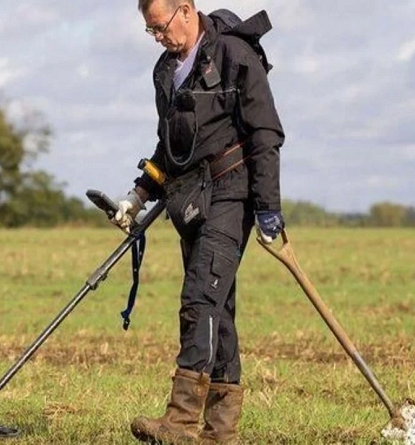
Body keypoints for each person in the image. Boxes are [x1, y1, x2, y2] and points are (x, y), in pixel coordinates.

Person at [112, 0, 285, 443]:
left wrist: (268, 209)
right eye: (150, 32)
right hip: (190, 200)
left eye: (160, 27)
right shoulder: (165, 72)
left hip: (233, 194)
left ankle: (181, 421)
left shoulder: (235, 55)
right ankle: (219, 433)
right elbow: (168, 147)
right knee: (217, 309)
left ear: (186, 10)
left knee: (199, 300)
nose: (158, 38)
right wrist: (138, 193)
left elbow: (265, 134)